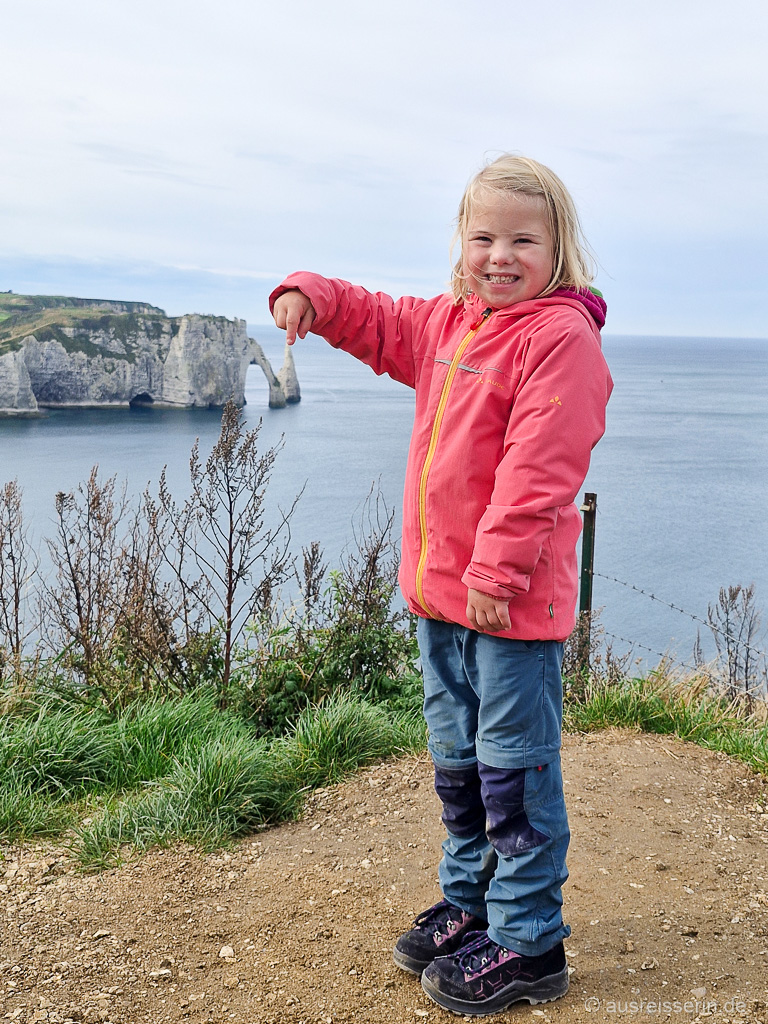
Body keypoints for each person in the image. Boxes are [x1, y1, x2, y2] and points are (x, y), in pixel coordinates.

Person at [270, 154, 613, 1016]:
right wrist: (311, 291)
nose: (500, 255)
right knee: (458, 765)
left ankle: (530, 941)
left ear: (558, 246)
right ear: (460, 244)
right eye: (483, 236)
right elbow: (379, 319)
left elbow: (542, 466)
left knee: (513, 773)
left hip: (509, 606)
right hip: (443, 600)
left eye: (523, 239)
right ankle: (472, 905)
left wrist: (497, 570)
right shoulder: (450, 325)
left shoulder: (557, 337)